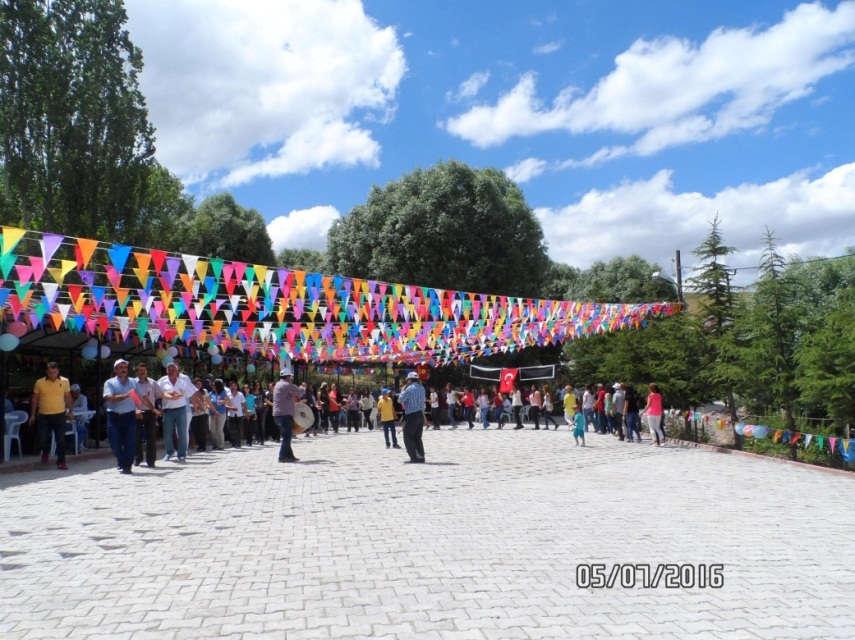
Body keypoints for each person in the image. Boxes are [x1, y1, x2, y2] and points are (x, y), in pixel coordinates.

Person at [30, 361, 73, 470]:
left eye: (54, 372)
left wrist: (70, 410)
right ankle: (45, 452)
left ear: (58, 371)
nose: (52, 375)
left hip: (59, 414)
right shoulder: (39, 382)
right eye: (50, 372)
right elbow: (35, 399)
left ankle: (61, 462)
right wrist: (33, 415)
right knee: (43, 438)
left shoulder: (64, 381)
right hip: (43, 415)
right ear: (46, 372)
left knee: (61, 439)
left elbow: (68, 397)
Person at [157, 362, 198, 462]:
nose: (171, 371)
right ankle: (169, 452)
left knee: (182, 432)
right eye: (169, 369)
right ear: (166, 371)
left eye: (173, 369)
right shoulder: (162, 381)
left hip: (181, 409)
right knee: (167, 433)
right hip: (168, 410)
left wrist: (196, 405)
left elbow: (192, 394)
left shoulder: (183, 382)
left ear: (177, 371)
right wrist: (167, 394)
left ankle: (182, 454)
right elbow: (157, 393)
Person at [102, 359, 138, 474]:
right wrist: (126, 395)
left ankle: (127, 466)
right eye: (120, 367)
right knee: (114, 442)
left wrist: (140, 409)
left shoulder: (133, 382)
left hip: (130, 416)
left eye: (125, 367)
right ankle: (122, 461)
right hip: (114, 416)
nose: (123, 369)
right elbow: (109, 398)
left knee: (130, 442)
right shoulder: (109, 383)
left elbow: (137, 397)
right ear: (115, 370)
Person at [133, 361, 162, 467]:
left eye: (144, 370)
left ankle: (151, 461)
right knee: (136, 437)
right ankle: (138, 458)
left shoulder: (153, 383)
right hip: (137, 412)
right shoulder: (133, 383)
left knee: (151, 437)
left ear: (146, 372)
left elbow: (160, 395)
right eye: (140, 371)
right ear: (137, 372)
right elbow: (131, 399)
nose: (142, 372)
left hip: (150, 413)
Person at [272, 369, 304, 462]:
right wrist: (302, 387)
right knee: (286, 436)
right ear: (287, 377)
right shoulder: (287, 385)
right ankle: (282, 457)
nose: (291, 378)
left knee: (287, 435)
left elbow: (288, 396)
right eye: (290, 377)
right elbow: (300, 393)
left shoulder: (278, 384)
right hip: (284, 414)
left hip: (278, 414)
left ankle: (290, 456)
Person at [399, 372, 426, 463]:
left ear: (409, 380)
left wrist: (403, 390)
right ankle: (421, 457)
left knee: (408, 436)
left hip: (411, 416)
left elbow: (400, 400)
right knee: (417, 437)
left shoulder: (409, 388)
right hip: (420, 415)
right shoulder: (422, 388)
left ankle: (414, 457)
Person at [190, 377, 211, 452]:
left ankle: (203, 446)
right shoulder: (191, 391)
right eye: (197, 384)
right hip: (194, 414)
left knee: (202, 430)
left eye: (200, 384)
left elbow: (208, 401)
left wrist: (210, 408)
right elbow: (190, 402)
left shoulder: (204, 391)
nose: (198, 385)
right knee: (195, 430)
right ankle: (199, 445)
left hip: (203, 413)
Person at [208, 379, 228, 449]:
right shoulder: (210, 393)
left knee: (219, 430)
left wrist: (221, 401)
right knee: (212, 430)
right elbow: (208, 402)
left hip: (221, 413)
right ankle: (215, 445)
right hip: (212, 413)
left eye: (214, 385)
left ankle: (221, 445)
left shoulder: (223, 392)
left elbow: (227, 401)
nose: (212, 386)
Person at [225, 380, 246, 448]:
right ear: (230, 387)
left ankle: (238, 443)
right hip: (231, 414)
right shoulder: (228, 394)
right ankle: (234, 442)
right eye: (232, 386)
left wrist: (245, 411)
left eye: (235, 386)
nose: (233, 387)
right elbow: (226, 405)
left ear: (237, 387)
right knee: (232, 429)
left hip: (239, 414)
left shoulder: (240, 394)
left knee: (239, 429)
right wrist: (231, 408)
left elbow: (243, 404)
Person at [69, 384, 89, 453]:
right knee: (81, 429)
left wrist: (72, 409)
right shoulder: (67, 398)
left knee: (82, 427)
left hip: (80, 419)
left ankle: (77, 446)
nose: (76, 393)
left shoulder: (83, 398)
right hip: (69, 421)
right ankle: (76, 447)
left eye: (77, 391)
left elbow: (83, 409)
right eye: (74, 392)